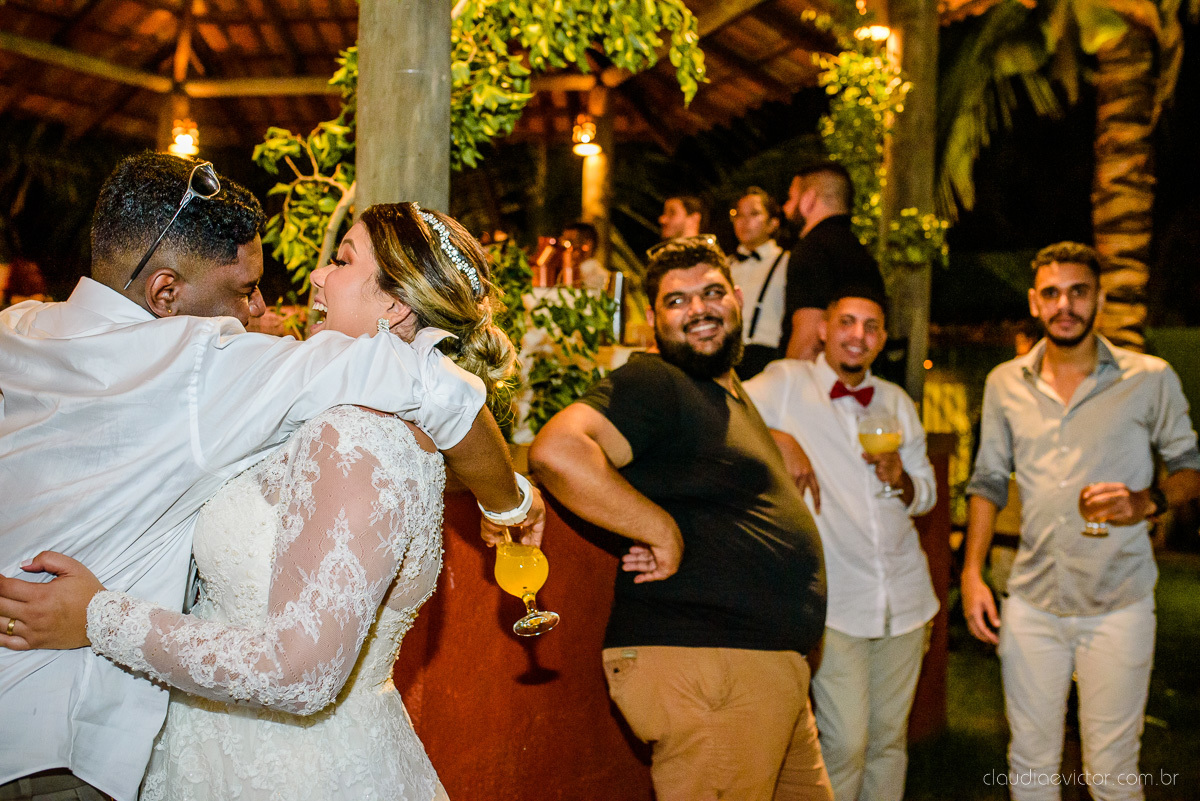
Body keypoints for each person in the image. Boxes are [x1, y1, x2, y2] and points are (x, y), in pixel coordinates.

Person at [0, 155, 542, 801]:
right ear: (165, 292)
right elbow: (441, 389)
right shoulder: (204, 370)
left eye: (340, 260)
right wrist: (510, 503)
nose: (261, 304)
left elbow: (300, 666)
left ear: (396, 306)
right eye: (241, 290)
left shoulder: (17, 330)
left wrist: (101, 614)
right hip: (65, 739)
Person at [529, 236, 832, 801]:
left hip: (765, 672)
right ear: (652, 320)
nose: (699, 309)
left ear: (738, 299)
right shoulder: (656, 381)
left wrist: (777, 440)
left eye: (712, 292)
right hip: (710, 668)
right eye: (677, 300)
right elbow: (557, 451)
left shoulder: (723, 395)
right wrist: (659, 529)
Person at [961, 242, 1200, 801]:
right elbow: (988, 482)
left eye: (1078, 292)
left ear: (1099, 299)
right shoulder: (1004, 384)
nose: (1064, 305)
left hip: (1119, 602)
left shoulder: (1150, 378)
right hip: (1032, 603)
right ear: (1034, 302)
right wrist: (971, 572)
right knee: (1030, 767)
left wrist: (1148, 501)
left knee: (1113, 772)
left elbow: (1190, 465)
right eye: (1051, 293)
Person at [745, 290, 937, 801]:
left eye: (871, 326)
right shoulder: (787, 382)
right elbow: (721, 404)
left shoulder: (897, 401)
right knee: (847, 742)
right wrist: (780, 438)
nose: (858, 334)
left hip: (907, 598)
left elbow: (928, 494)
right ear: (825, 330)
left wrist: (902, 479)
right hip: (837, 602)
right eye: (847, 322)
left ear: (881, 339)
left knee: (889, 742)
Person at [782, 163, 886, 361]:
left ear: (808, 200)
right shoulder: (862, 255)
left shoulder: (812, 250)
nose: (786, 208)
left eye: (791, 198)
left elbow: (808, 343)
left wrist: (788, 386)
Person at [730, 187, 790, 379]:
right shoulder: (724, 264)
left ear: (773, 223)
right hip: (727, 358)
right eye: (739, 215)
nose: (744, 221)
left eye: (754, 214)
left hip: (767, 358)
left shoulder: (786, 262)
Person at [560, 221, 610, 291]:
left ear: (587, 244)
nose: (564, 248)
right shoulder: (561, 273)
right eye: (563, 243)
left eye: (570, 242)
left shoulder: (601, 277)